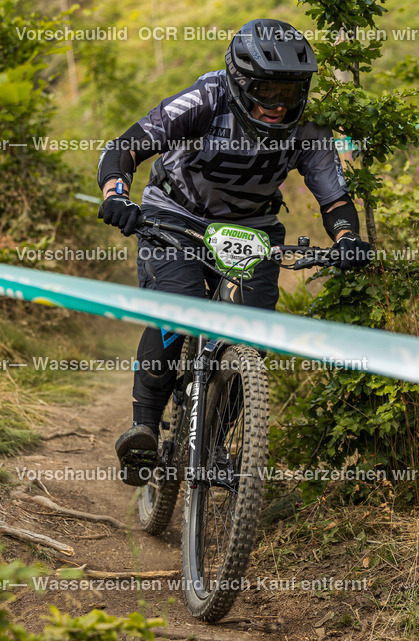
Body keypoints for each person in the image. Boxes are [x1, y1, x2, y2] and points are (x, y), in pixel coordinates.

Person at [97, 18, 373, 486]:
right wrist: (116, 194)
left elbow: (335, 199)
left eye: (289, 92)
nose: (276, 103)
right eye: (266, 88)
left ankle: (213, 445)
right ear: (240, 80)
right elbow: (125, 147)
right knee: (179, 310)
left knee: (250, 335)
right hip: (176, 216)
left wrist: (346, 239)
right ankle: (143, 426)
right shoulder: (206, 97)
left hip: (252, 229)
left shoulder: (307, 128)